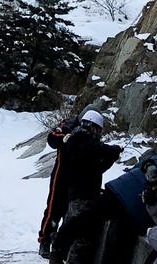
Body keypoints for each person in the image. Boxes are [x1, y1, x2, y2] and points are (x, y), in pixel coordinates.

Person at [48, 109, 122, 263]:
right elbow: (98, 150)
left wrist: (110, 159)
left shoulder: (77, 140)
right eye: (99, 130)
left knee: (71, 230)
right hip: (82, 196)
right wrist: (113, 150)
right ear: (93, 127)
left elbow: (95, 168)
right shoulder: (83, 140)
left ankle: (57, 254)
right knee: (81, 237)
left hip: (77, 194)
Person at [97, 149, 157, 263]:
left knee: (91, 220)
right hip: (136, 214)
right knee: (120, 248)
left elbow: (138, 166)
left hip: (119, 191)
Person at [38, 114, 79, 257]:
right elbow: (52, 139)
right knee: (53, 209)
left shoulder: (92, 131)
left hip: (76, 178)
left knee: (70, 212)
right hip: (60, 176)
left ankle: (61, 244)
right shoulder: (68, 125)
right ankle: (44, 241)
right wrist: (64, 137)